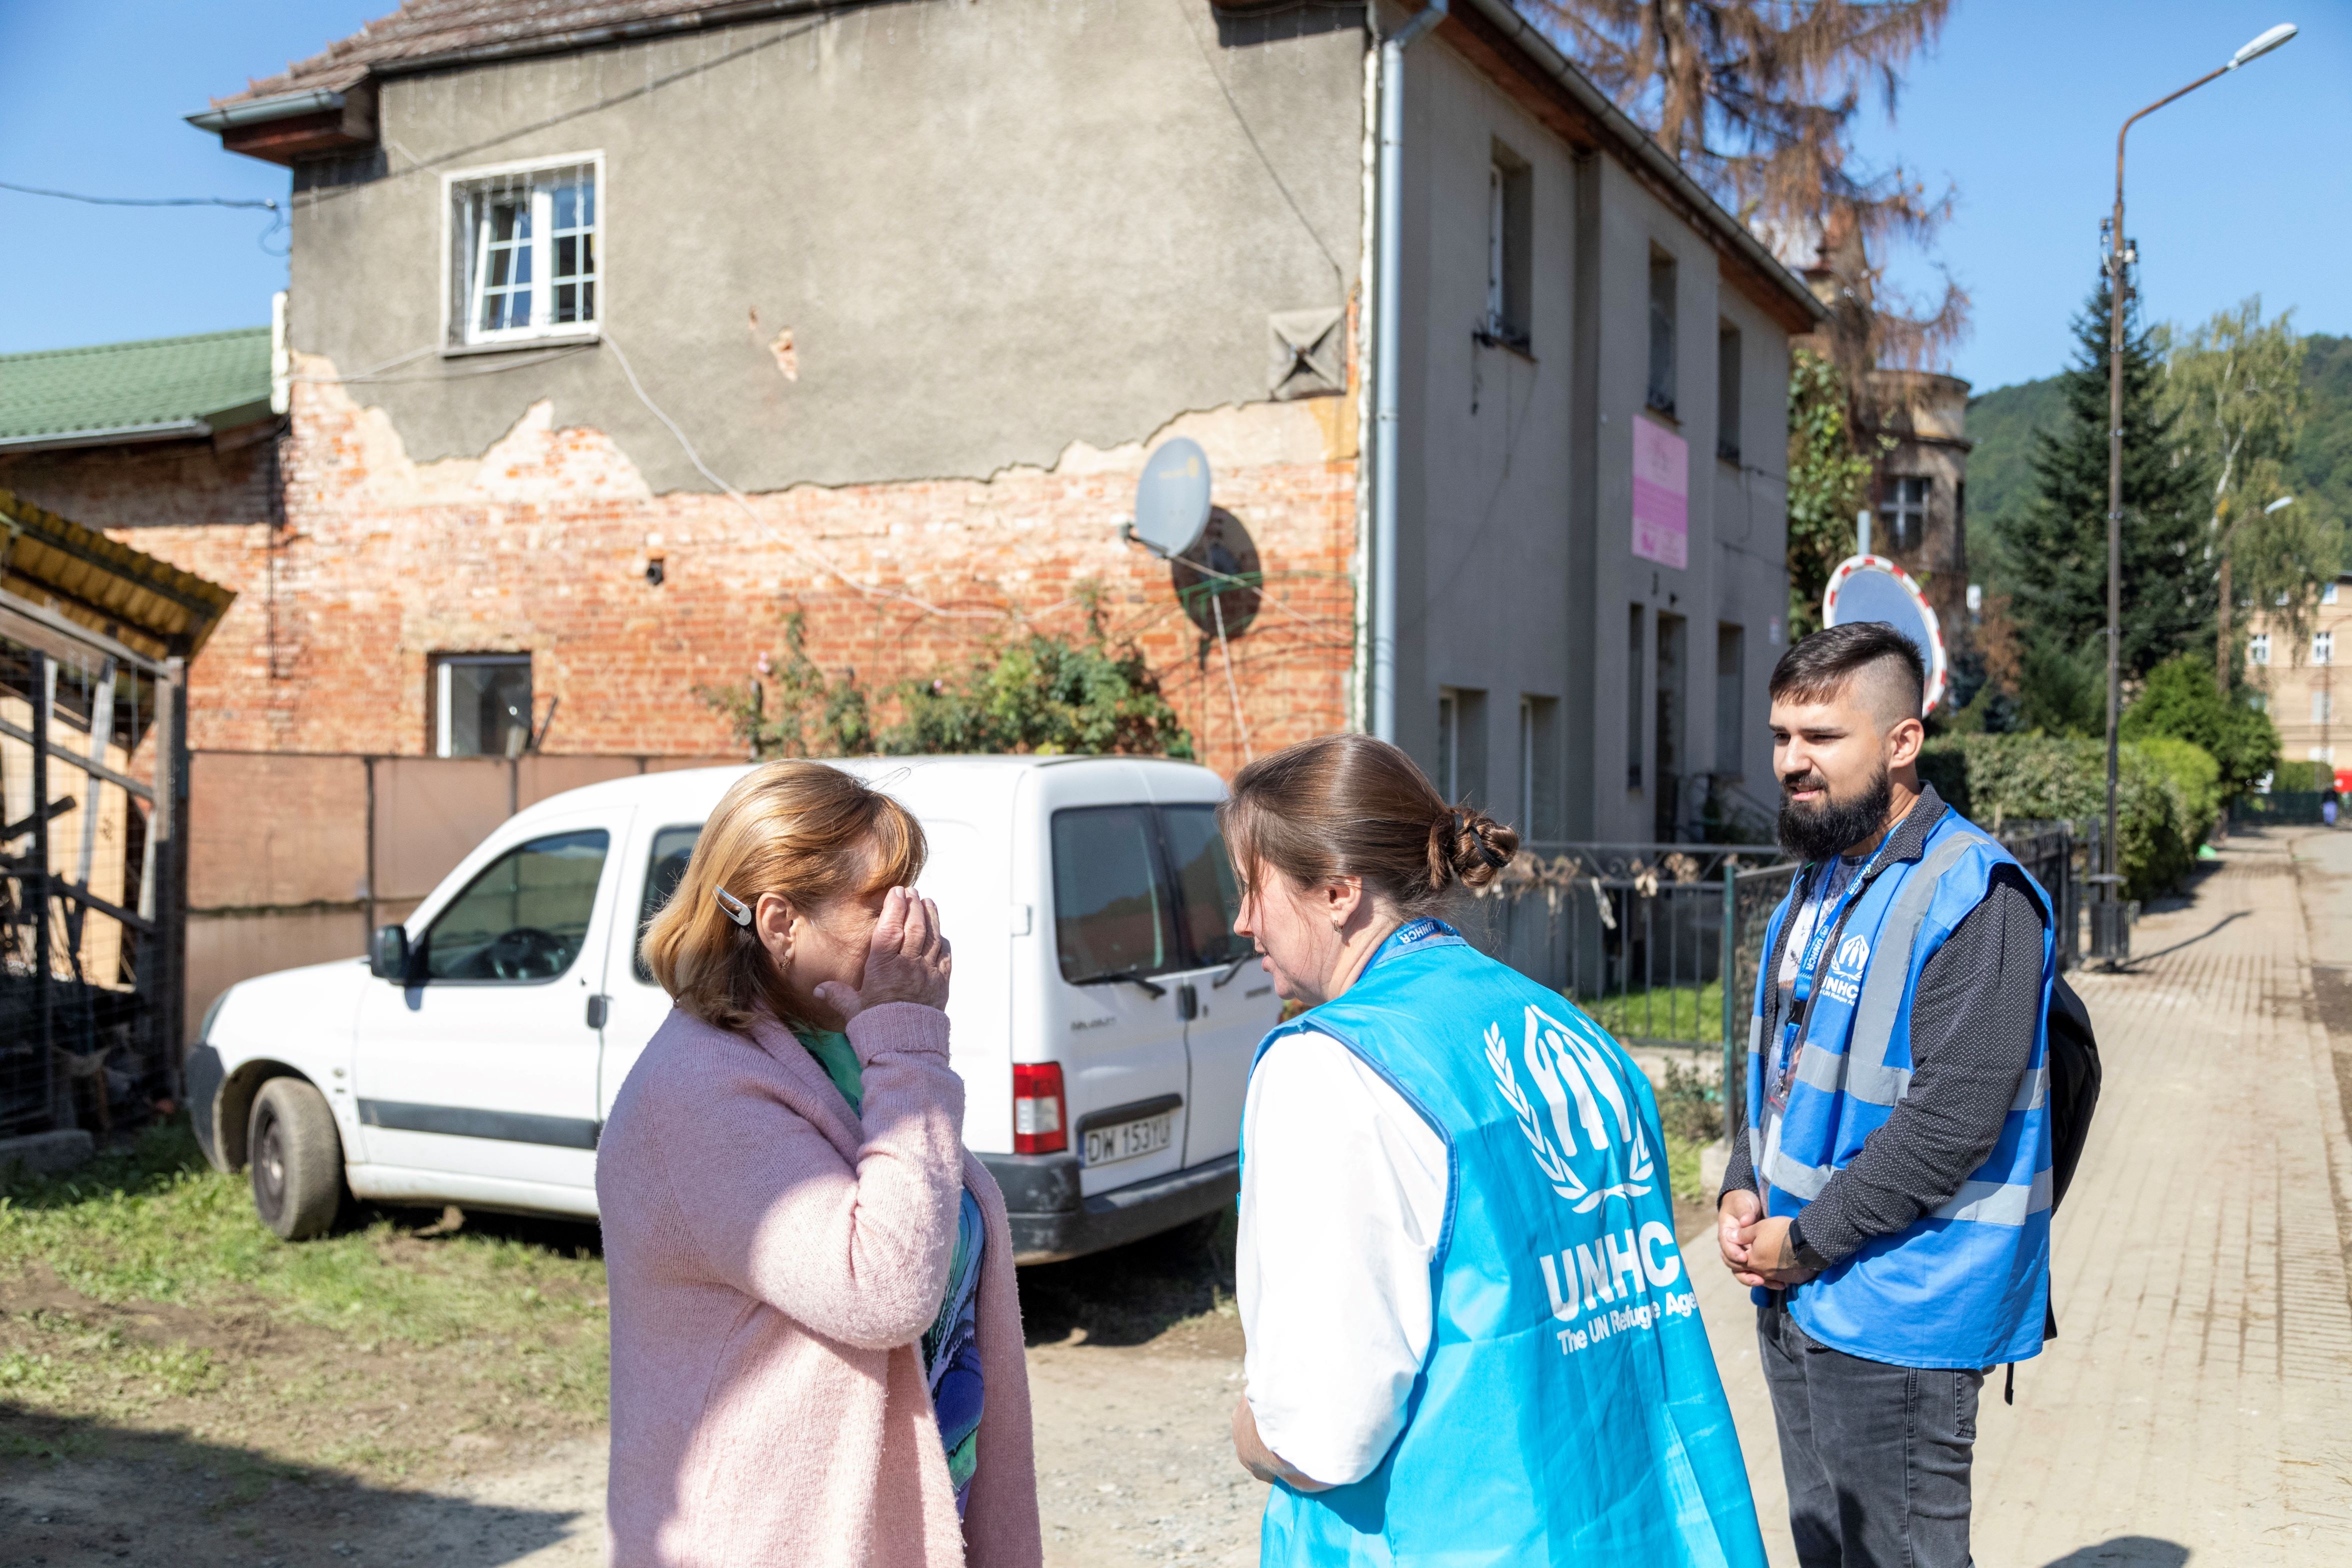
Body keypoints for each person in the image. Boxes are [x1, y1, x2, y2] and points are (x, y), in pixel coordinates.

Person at [1224, 734, 1766, 1566]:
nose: (1242, 921)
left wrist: (1254, 1433)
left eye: (1253, 889)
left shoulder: (1329, 1066)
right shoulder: (1569, 1027)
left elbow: (1326, 1432)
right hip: (1626, 1528)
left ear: (1338, 891)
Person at [598, 761, 1042, 1568]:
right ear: (779, 924)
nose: (916, 924)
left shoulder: (835, 1043)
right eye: (882, 903)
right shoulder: (699, 1095)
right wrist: (909, 1040)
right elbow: (885, 1290)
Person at [1718, 622, 2056, 1568]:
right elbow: (1785, 1060)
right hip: (1800, 1284)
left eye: (1822, 738)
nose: (1792, 762)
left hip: (1904, 1309)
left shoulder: (1979, 896)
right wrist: (1743, 1182)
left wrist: (1808, 1237)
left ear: (1903, 742)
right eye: (1783, 736)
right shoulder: (1822, 877)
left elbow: (1952, 1121)